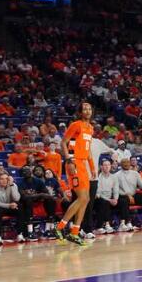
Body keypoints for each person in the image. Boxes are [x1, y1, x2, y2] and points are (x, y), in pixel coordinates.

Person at [55, 101, 95, 245]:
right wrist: (69, 160)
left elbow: (88, 150)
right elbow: (63, 142)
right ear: (80, 112)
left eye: (89, 108)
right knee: (82, 197)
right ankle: (60, 227)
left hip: (83, 163)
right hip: (74, 161)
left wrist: (92, 167)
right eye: (84, 108)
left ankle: (75, 232)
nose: (87, 110)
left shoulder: (90, 128)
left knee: (86, 199)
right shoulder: (76, 124)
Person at [0, 172, 27, 244]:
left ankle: (20, 234)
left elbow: (16, 198)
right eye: (2, 179)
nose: (4, 181)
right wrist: (9, 205)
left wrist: (12, 185)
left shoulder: (13, 185)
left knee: (20, 206)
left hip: (10, 207)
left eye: (6, 179)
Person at [115, 158, 142, 232]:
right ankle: (125, 223)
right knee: (124, 200)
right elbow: (116, 189)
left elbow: (141, 185)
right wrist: (127, 195)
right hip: (123, 195)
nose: (126, 164)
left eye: (127, 162)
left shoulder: (135, 173)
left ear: (130, 164)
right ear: (121, 164)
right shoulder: (116, 175)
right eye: (124, 162)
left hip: (134, 195)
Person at [93, 160, 120, 234]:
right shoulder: (98, 177)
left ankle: (124, 223)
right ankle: (100, 226)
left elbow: (116, 189)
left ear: (111, 166)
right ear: (101, 167)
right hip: (98, 198)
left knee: (123, 200)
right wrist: (109, 200)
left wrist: (115, 199)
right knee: (104, 202)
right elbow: (98, 193)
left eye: (108, 165)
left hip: (109, 198)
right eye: (105, 165)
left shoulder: (113, 177)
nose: (107, 166)